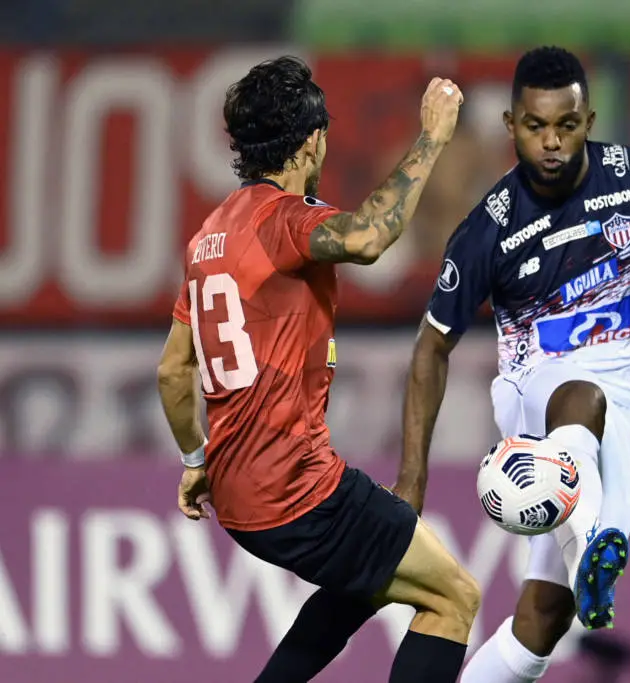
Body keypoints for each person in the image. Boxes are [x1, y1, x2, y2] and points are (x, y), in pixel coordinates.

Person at [399, 46, 630, 683]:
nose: (551, 143)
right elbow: (431, 346)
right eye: (535, 126)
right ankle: (591, 545)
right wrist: (412, 479)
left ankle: (584, 562)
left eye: (566, 126)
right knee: (580, 393)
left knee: (544, 619)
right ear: (511, 125)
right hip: (536, 389)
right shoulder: (488, 231)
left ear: (589, 121)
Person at [156, 56, 480, 683]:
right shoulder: (283, 221)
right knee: (453, 597)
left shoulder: (207, 239)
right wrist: (433, 138)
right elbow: (367, 238)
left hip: (238, 494)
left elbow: (173, 371)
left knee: (367, 579)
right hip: (296, 490)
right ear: (312, 141)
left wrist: (196, 461)